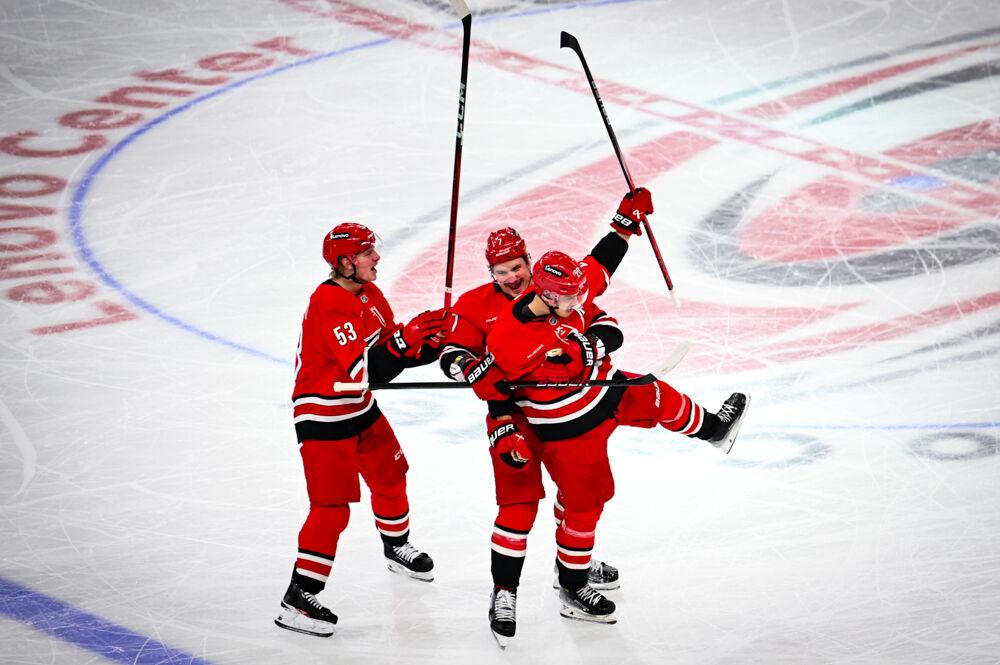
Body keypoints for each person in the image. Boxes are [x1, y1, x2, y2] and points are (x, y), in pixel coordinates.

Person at [463, 249, 749, 634]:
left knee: (655, 394)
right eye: (571, 299)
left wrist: (592, 344)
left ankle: (715, 429)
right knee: (586, 502)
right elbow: (494, 390)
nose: (579, 304)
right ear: (547, 296)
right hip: (568, 426)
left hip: (605, 390)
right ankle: (572, 585)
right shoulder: (510, 339)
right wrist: (483, 384)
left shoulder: (566, 292)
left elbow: (604, 297)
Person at [438, 190, 652, 646]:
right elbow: (449, 353)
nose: (512, 277)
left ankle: (571, 568)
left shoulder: (552, 287)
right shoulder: (476, 305)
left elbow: (599, 267)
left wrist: (624, 221)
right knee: (517, 507)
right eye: (502, 271)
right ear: (490, 273)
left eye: (517, 267)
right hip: (511, 418)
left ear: (528, 261)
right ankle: (504, 592)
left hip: (568, 414)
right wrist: (465, 366)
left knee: (578, 498)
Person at [274, 222, 448, 638]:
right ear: (346, 262)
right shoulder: (328, 302)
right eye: (369, 253)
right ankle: (298, 596)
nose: (377, 258)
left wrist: (430, 342)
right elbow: (367, 368)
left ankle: (396, 547)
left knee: (391, 475)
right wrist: (404, 344)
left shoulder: (368, 294)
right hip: (322, 413)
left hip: (357, 403)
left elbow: (389, 353)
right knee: (331, 509)